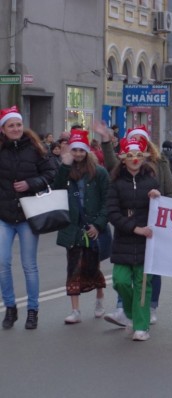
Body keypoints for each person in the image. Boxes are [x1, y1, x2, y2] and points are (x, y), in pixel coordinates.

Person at [93, 122, 172, 326]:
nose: (135, 156)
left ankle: (150, 307)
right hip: (129, 226)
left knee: (149, 271)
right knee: (124, 273)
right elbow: (114, 164)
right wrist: (106, 140)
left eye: (141, 143)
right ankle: (124, 308)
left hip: (153, 223)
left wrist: (160, 204)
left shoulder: (160, 163)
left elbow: (170, 192)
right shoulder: (122, 171)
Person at [0, 106, 56, 330]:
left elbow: (51, 173)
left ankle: (33, 310)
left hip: (27, 215)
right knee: (3, 263)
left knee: (29, 265)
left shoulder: (35, 148)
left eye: (18, 125)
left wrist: (30, 184)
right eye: (11, 125)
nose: (16, 128)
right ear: (3, 129)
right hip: (4, 215)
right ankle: (10, 307)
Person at [53, 129, 109, 324]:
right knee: (73, 268)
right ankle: (75, 310)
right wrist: (64, 166)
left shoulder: (99, 172)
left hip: (92, 227)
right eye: (74, 150)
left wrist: (98, 225)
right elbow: (56, 189)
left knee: (93, 267)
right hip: (72, 228)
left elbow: (107, 201)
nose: (77, 154)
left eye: (81, 150)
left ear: (87, 151)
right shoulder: (67, 171)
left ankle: (100, 299)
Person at [107, 137, 160, 341]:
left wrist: (158, 195)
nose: (135, 159)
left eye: (138, 155)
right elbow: (112, 213)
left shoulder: (151, 180)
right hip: (124, 240)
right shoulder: (116, 183)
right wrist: (135, 228)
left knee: (143, 285)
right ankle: (131, 312)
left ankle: (141, 326)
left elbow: (161, 210)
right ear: (123, 159)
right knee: (120, 281)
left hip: (147, 242)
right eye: (130, 156)